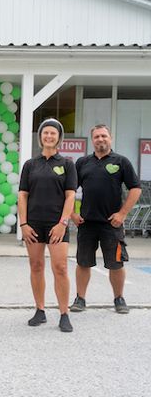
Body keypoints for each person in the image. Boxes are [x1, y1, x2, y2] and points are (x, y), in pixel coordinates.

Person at [69, 124, 141, 314]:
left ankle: (119, 298)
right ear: (92, 140)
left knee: (116, 264)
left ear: (110, 138)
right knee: (83, 263)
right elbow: (69, 191)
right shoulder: (82, 163)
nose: (100, 139)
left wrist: (122, 214)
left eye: (104, 136)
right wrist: (72, 215)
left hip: (112, 224)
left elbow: (135, 188)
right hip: (86, 224)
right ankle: (80, 298)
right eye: (97, 137)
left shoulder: (121, 161)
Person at [18, 118, 77, 332]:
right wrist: (23, 224)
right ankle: (40, 310)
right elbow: (22, 196)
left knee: (60, 268)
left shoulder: (67, 164)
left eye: (53, 133)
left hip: (57, 224)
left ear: (59, 137)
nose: (49, 136)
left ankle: (64, 313)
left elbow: (70, 197)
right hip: (33, 224)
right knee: (36, 266)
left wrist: (63, 223)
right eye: (45, 133)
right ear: (40, 137)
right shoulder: (30, 165)